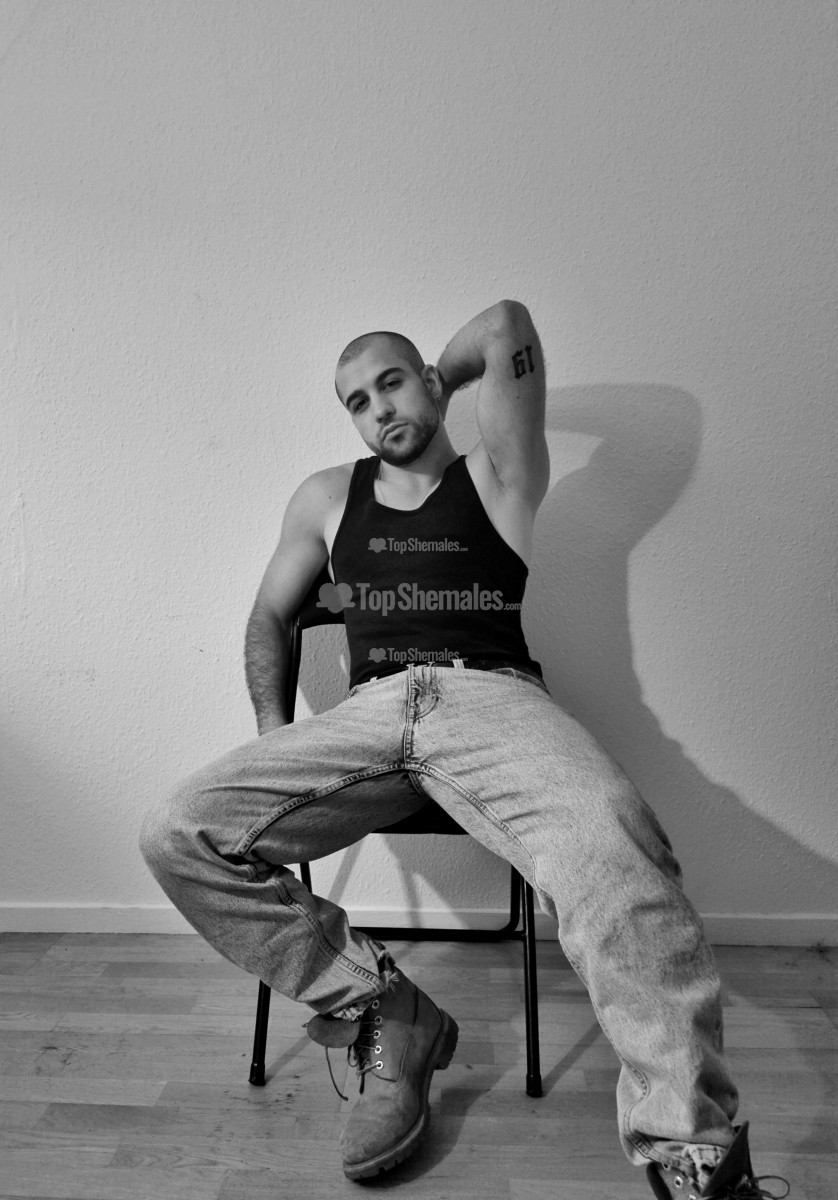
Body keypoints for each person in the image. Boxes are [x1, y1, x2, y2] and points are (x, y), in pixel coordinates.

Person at [140, 301, 789, 1198]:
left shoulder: (499, 474)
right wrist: (276, 742)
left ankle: (694, 1158)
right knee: (177, 831)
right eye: (358, 401)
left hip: (493, 699)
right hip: (368, 713)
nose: (379, 408)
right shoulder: (326, 496)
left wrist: (445, 375)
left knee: (614, 844)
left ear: (429, 381)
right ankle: (385, 1009)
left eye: (392, 382)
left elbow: (506, 327)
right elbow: (269, 617)